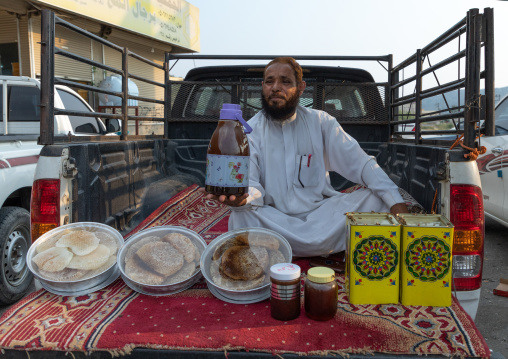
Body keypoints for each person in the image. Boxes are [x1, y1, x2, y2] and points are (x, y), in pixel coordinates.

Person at [202, 57, 408, 257]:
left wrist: (396, 203)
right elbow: (252, 186)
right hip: (271, 218)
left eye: (285, 81)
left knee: (377, 199)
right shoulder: (249, 130)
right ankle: (318, 246)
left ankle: (280, 248)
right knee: (242, 216)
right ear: (262, 86)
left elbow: (361, 164)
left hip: (321, 216)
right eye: (269, 81)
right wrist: (242, 197)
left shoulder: (321, 122)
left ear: (300, 87)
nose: (275, 87)